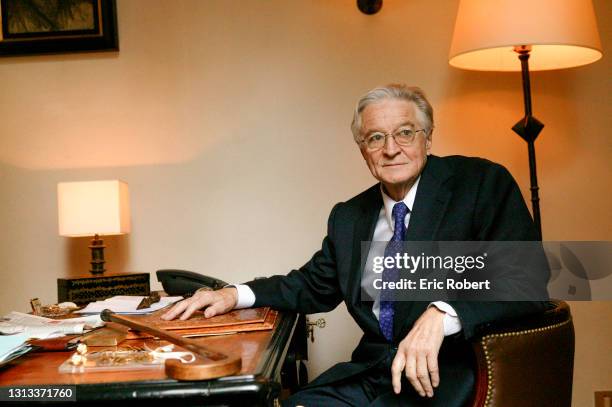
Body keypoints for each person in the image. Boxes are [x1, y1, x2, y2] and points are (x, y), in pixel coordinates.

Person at [162, 84, 548, 406]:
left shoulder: (480, 184)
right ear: (363, 150)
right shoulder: (350, 216)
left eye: (405, 132)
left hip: (446, 378)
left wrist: (443, 312)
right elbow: (312, 285)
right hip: (371, 375)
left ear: (428, 138)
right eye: (375, 138)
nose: (391, 148)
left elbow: (528, 275)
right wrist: (234, 294)